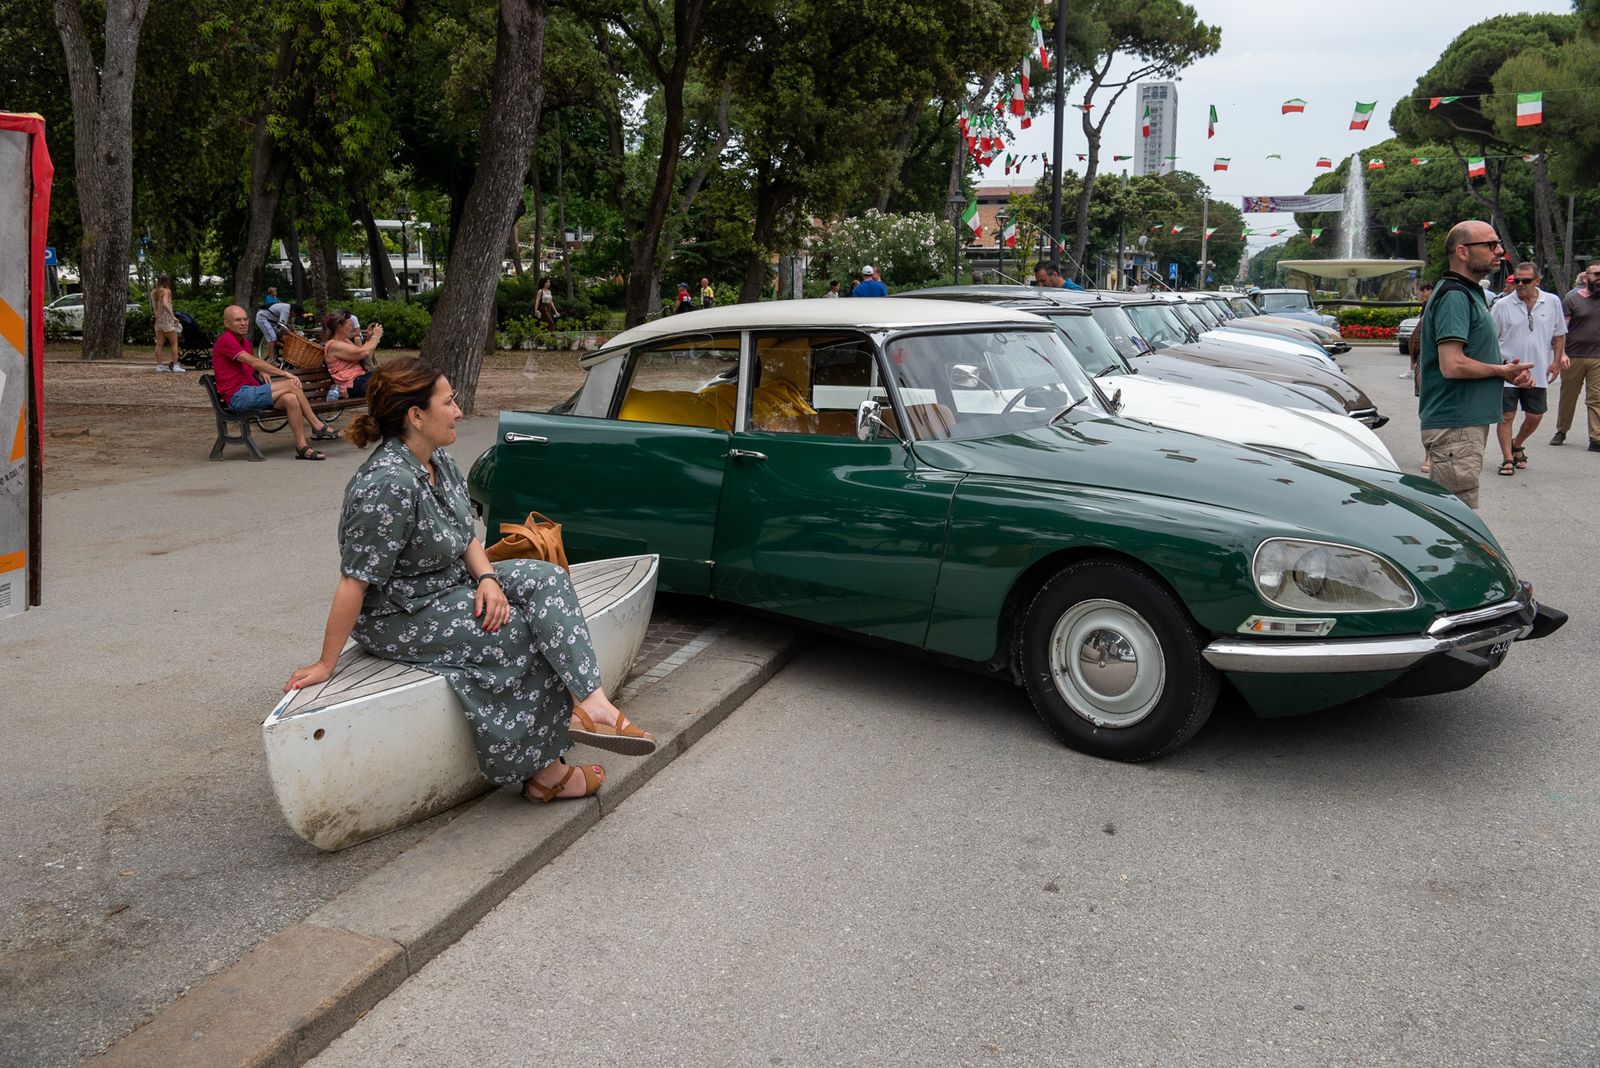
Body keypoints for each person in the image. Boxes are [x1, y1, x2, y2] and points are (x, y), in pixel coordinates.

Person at [285, 358, 657, 803]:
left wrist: (489, 580)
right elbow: (354, 582)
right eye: (449, 402)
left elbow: (465, 535)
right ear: (416, 415)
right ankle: (545, 774)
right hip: (400, 613)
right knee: (515, 633)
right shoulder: (387, 484)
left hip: (452, 583)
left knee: (547, 578)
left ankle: (592, 703)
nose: (459, 412)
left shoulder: (437, 459)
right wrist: (326, 663)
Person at [1415, 222, 1534, 508]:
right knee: (1453, 520)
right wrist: (1501, 371)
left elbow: (1471, 352)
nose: (1500, 251)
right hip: (1455, 426)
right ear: (1462, 252)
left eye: (1498, 244)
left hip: (1462, 424)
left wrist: (1507, 369)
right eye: (1491, 245)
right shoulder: (1455, 296)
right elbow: (1452, 364)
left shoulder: (1469, 292)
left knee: (1455, 516)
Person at [212, 304, 342, 460]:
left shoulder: (245, 342)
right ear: (226, 323)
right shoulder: (226, 340)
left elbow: (250, 364)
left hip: (253, 393)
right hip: (238, 397)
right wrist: (284, 373)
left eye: (245, 319)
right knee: (291, 384)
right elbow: (252, 361)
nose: (243, 323)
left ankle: (302, 447)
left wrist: (261, 370)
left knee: (291, 399)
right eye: (237, 320)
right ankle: (317, 425)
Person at [1489, 262, 1567, 474]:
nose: (1520, 284)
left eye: (1526, 281)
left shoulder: (1552, 301)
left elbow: (1559, 334)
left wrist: (1556, 362)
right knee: (1507, 416)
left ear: (1537, 281)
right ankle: (1507, 458)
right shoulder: (1502, 305)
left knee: (1535, 415)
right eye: (1517, 280)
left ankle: (1517, 443)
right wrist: (1498, 367)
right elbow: (1490, 338)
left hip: (1538, 370)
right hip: (1508, 371)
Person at [1553, 260, 1600, 450]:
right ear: (1586, 276)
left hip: (1598, 357)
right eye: (1596, 274)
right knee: (1568, 397)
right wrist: (1562, 354)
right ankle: (1561, 430)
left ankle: (1596, 438)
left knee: (1596, 398)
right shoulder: (1572, 299)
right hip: (1573, 356)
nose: (1599, 278)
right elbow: (1561, 331)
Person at [1407, 280, 1435, 473]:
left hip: (1429, 366)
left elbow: (1414, 340)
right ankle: (1430, 454)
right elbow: (1415, 339)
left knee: (1429, 411)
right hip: (1429, 366)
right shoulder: (1430, 312)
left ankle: (1431, 455)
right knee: (1429, 412)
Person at [324, 310, 382, 398]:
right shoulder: (333, 345)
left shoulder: (345, 341)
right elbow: (364, 352)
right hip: (350, 385)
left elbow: (364, 355)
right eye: (350, 325)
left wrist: (369, 339)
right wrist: (376, 337)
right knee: (388, 376)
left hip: (359, 379)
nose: (352, 328)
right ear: (339, 326)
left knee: (391, 374)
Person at [151, 275, 183, 373]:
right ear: (167, 281)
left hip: (158, 321)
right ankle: (176, 365)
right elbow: (165, 303)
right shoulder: (166, 291)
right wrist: (172, 316)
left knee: (159, 344)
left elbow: (155, 307)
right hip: (167, 320)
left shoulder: (154, 292)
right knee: (174, 343)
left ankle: (159, 365)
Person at [255, 298, 293, 362]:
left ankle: (277, 348)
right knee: (272, 338)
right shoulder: (286, 310)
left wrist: (293, 331)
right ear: (294, 312)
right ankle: (271, 359)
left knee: (282, 336)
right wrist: (287, 331)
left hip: (271, 321)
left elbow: (290, 324)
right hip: (263, 318)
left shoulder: (289, 309)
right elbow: (282, 324)